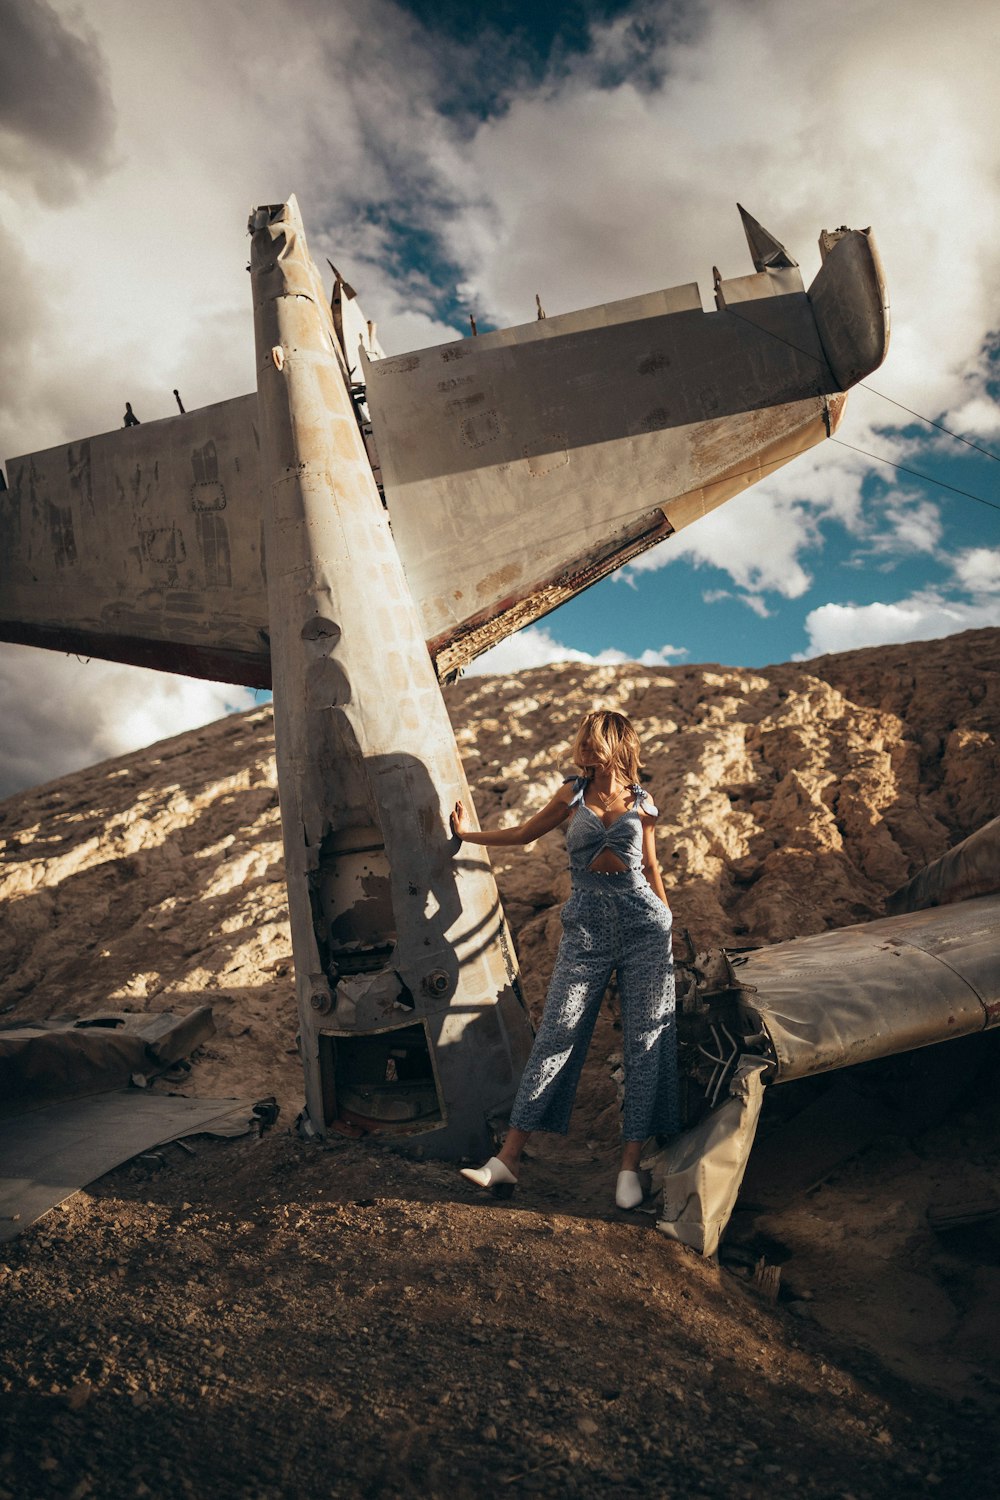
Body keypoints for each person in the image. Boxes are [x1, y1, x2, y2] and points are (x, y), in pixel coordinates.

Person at [450, 709, 679, 1210]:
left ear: (617, 745)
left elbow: (654, 868)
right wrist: (468, 836)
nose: (583, 750)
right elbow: (523, 834)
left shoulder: (644, 804)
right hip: (587, 925)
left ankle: (629, 1168)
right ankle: (508, 1160)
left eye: (593, 742)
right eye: (582, 742)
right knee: (559, 1031)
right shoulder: (570, 794)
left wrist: (668, 926)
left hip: (645, 927)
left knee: (645, 1040)